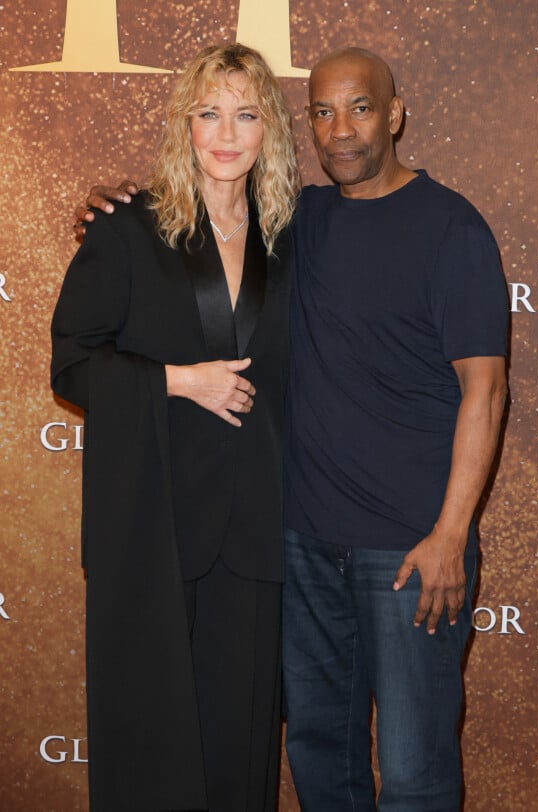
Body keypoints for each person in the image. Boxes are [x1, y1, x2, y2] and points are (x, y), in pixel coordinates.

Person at [75, 46, 509, 812]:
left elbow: (487, 386)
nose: (341, 130)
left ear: (396, 115)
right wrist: (109, 204)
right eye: (323, 111)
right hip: (296, 545)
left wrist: (451, 533)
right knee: (317, 754)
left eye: (362, 108)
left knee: (412, 772)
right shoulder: (296, 220)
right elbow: (95, 341)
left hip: (399, 547)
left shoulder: (427, 228)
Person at [52, 43, 299, 812]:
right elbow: (72, 366)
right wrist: (179, 382)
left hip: (257, 531)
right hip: (150, 527)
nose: (227, 133)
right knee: (149, 740)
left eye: (247, 113)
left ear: (271, 130)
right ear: (183, 124)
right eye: (208, 113)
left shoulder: (294, 236)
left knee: (240, 743)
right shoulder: (127, 227)